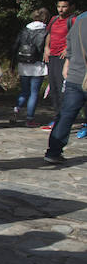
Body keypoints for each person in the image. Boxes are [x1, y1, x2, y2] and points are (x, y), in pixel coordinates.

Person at [44, 10, 87, 164]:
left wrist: (68, 64)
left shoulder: (80, 20)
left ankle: (53, 152)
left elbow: (69, 43)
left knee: (66, 115)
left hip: (75, 76)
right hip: (79, 74)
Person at [11, 8, 49, 127]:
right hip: (38, 65)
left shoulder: (24, 30)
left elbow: (15, 46)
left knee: (24, 91)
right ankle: (30, 118)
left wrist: (12, 64)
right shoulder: (46, 31)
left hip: (23, 64)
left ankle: (16, 110)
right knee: (34, 93)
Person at [43, 0, 77, 129]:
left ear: (71, 7)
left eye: (64, 6)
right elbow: (49, 34)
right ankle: (57, 116)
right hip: (52, 57)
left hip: (65, 59)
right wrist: (46, 47)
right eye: (59, 6)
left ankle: (65, 118)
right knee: (54, 88)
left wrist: (68, 49)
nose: (61, 10)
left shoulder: (73, 20)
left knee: (63, 89)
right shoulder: (54, 19)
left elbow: (77, 36)